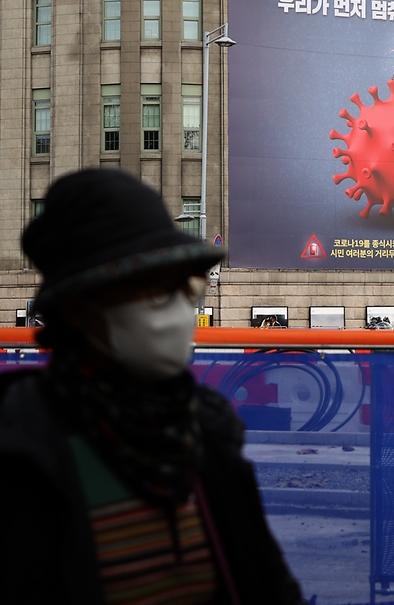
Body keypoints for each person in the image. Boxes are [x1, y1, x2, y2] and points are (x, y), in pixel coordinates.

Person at [1, 169, 304, 605]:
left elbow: (267, 582)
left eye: (188, 289)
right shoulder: (20, 454)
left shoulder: (208, 429)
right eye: (157, 292)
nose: (183, 312)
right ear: (79, 309)